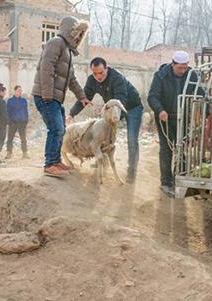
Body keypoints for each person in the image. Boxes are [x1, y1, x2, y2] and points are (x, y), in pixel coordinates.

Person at [67, 57, 143, 183]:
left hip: (132, 108)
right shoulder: (92, 80)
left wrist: (111, 115)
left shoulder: (117, 78)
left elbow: (120, 101)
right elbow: (85, 99)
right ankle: (103, 162)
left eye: (101, 73)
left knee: (131, 139)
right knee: (102, 135)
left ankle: (131, 172)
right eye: (95, 73)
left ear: (106, 69)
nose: (98, 76)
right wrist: (71, 114)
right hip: (112, 109)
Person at [31, 16, 89, 178]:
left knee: (61, 129)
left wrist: (82, 96)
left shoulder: (68, 52)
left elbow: (71, 79)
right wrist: (48, 95)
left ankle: (55, 161)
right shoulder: (55, 43)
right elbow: (46, 69)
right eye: (77, 33)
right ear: (70, 31)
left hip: (54, 98)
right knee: (56, 129)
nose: (78, 37)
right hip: (45, 96)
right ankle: (49, 164)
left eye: (81, 35)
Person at [148, 51, 202, 197]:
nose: (182, 71)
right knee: (166, 149)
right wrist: (160, 110)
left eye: (185, 68)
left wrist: (204, 108)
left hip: (184, 118)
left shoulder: (192, 76)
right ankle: (165, 182)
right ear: (173, 64)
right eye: (180, 68)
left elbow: (200, 93)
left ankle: (179, 178)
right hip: (165, 117)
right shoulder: (161, 76)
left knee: (182, 147)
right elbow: (152, 96)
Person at [6, 85, 29, 159]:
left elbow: (26, 111)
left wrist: (26, 120)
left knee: (23, 138)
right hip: (13, 122)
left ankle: (25, 153)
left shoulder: (24, 100)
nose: (20, 92)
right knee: (10, 138)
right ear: (15, 91)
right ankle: (9, 152)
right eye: (19, 90)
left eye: (21, 91)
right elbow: (8, 112)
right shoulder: (10, 101)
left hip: (22, 122)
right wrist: (9, 122)